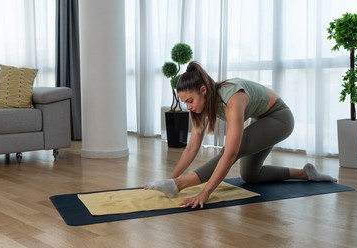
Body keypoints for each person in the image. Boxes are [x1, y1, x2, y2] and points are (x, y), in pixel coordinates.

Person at [143, 61, 336, 208]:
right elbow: (192, 147)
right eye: (185, 102)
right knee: (250, 175)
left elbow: (230, 155)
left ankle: (181, 184)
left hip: (280, 119)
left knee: (230, 150)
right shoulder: (201, 107)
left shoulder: (232, 100)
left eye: (190, 100)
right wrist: (170, 179)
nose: (188, 106)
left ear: (203, 90)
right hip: (261, 118)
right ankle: (306, 173)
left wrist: (205, 193)